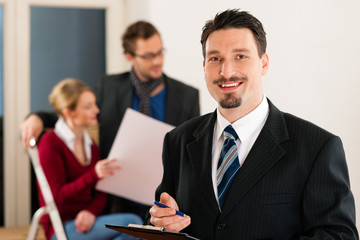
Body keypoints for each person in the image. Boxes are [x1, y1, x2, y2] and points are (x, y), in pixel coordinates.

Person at [148, 9, 358, 240]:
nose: (226, 72)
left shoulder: (318, 147)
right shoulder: (178, 141)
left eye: (240, 56)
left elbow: (339, 236)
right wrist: (158, 223)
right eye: (215, 58)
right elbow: (159, 221)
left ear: (264, 63)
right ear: (204, 66)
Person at [21, 21, 200, 220]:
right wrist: (36, 118)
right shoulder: (109, 87)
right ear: (129, 57)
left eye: (160, 52)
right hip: (117, 200)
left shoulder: (187, 96)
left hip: (166, 199)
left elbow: (194, 153)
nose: (157, 61)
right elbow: (75, 111)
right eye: (148, 56)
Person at [36, 78, 142, 240]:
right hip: (61, 227)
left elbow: (100, 192)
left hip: (87, 222)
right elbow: (57, 197)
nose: (97, 110)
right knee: (133, 223)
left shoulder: (90, 145)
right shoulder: (50, 142)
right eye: (88, 106)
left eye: (94, 104)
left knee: (134, 229)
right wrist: (94, 174)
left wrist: (90, 212)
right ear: (68, 112)